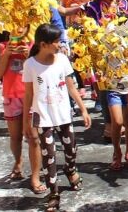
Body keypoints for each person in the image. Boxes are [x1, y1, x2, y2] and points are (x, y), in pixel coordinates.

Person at [22, 23, 91, 212]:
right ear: (43, 44)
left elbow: (71, 86)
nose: (60, 45)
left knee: (71, 149)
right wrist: (26, 121)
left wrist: (83, 109)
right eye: (56, 42)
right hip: (43, 118)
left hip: (63, 115)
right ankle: (53, 192)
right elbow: (28, 95)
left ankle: (70, 169)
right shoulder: (30, 65)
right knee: (49, 156)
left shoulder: (62, 60)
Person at [86, 0, 128, 170]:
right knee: (117, 120)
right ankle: (116, 151)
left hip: (126, 68)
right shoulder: (92, 10)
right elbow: (90, 38)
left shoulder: (123, 9)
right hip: (108, 70)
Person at [0, 34, 44, 193]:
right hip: (12, 97)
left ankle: (35, 176)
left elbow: (42, 71)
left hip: (32, 96)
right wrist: (7, 53)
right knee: (15, 136)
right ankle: (18, 161)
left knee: (34, 137)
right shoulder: (0, 47)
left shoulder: (36, 45)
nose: (18, 29)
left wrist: (29, 56)